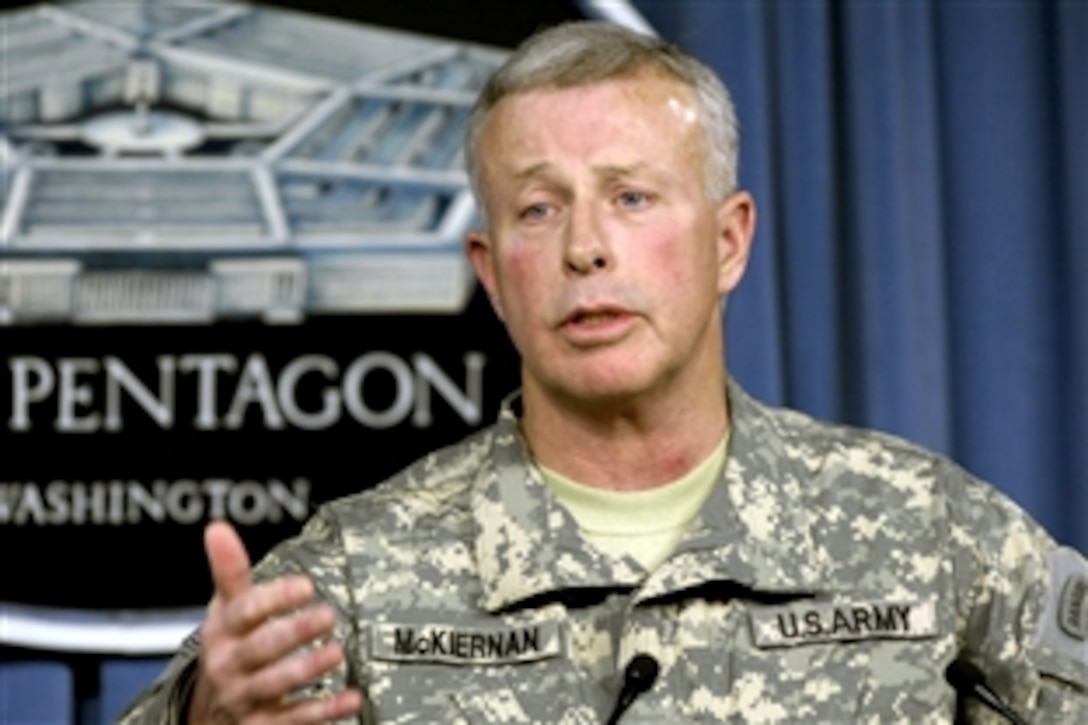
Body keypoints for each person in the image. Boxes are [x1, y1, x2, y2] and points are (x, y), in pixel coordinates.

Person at [122, 20, 1086, 723]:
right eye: (538, 210)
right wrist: (207, 716)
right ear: (493, 274)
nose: (587, 247)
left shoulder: (927, 529)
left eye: (631, 196)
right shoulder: (357, 574)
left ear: (729, 241)